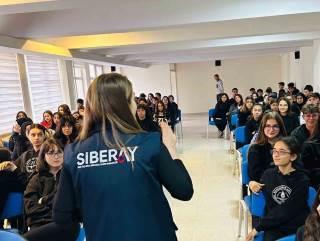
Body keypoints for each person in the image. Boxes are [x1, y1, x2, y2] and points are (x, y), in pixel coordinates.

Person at [53, 73, 193, 241]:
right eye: (132, 99)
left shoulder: (73, 152)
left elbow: (62, 216)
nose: (135, 104)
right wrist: (170, 147)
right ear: (124, 105)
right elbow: (184, 190)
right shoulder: (148, 143)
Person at [246, 136, 310, 241]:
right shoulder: (267, 175)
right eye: (274, 151)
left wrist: (259, 227)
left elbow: (288, 209)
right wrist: (252, 183)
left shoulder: (302, 179)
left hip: (297, 225)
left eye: (282, 152)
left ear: (293, 156)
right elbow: (258, 192)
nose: (276, 155)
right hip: (274, 226)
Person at [23, 139, 64, 229]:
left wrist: (43, 200)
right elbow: (30, 207)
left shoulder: (69, 176)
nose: (56, 156)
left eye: (60, 152)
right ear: (43, 156)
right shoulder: (36, 179)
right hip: (40, 223)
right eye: (51, 153)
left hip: (64, 222)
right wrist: (52, 213)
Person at [248, 112, 287, 193]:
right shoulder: (255, 148)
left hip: (288, 184)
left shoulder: (288, 145)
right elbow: (256, 176)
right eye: (268, 126)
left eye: (275, 126)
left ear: (280, 127)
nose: (271, 130)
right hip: (266, 188)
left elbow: (297, 167)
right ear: (262, 127)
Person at [0, 148, 26, 215]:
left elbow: (25, 185)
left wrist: (15, 170)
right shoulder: (11, 176)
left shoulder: (7, 178)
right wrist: (15, 170)